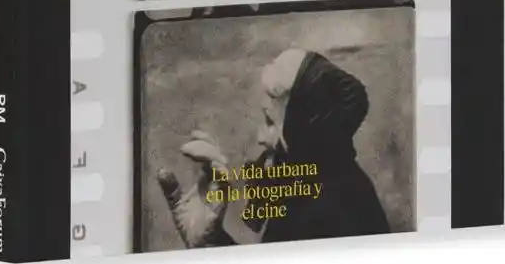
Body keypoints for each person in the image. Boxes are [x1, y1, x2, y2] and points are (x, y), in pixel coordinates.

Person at [157, 48, 390, 248]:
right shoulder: (313, 191)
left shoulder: (333, 211)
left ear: (306, 134)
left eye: (270, 122)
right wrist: (212, 242)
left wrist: (212, 246)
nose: (261, 139)